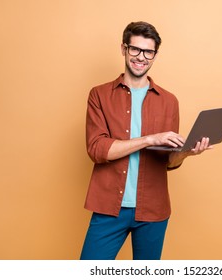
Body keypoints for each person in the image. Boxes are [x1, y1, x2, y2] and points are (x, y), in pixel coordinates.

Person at [80, 21, 211, 260]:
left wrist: (186, 153)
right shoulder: (99, 95)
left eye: (148, 52)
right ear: (124, 49)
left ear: (155, 55)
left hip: (153, 210)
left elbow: (168, 161)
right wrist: (149, 138)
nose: (141, 57)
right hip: (108, 207)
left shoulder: (169, 101)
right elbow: (98, 149)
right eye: (135, 49)